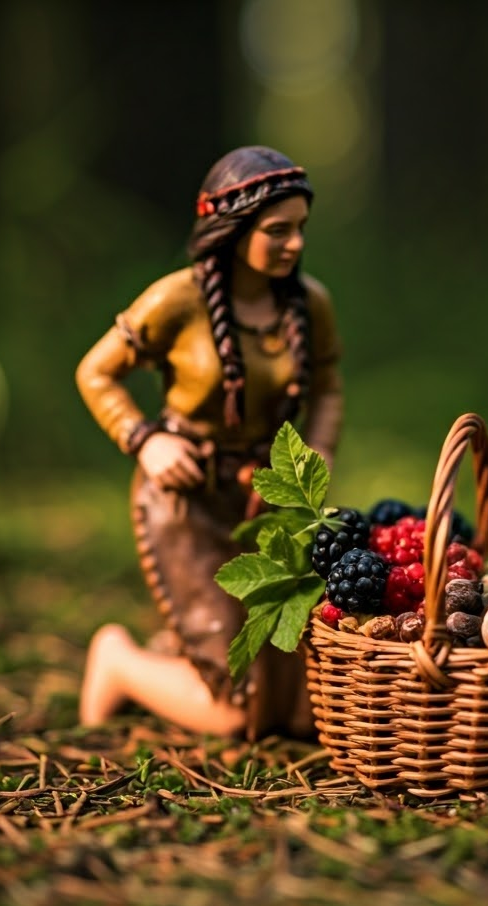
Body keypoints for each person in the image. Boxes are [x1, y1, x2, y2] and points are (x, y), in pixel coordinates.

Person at [75, 145, 343, 739]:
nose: (295, 244)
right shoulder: (176, 299)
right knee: (236, 711)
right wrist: (144, 439)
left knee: (302, 706)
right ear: (231, 228)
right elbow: (96, 372)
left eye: (300, 229)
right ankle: (120, 661)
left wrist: (317, 451)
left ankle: (180, 651)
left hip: (268, 501)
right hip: (184, 497)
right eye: (277, 231)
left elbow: (325, 386)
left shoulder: (308, 304)